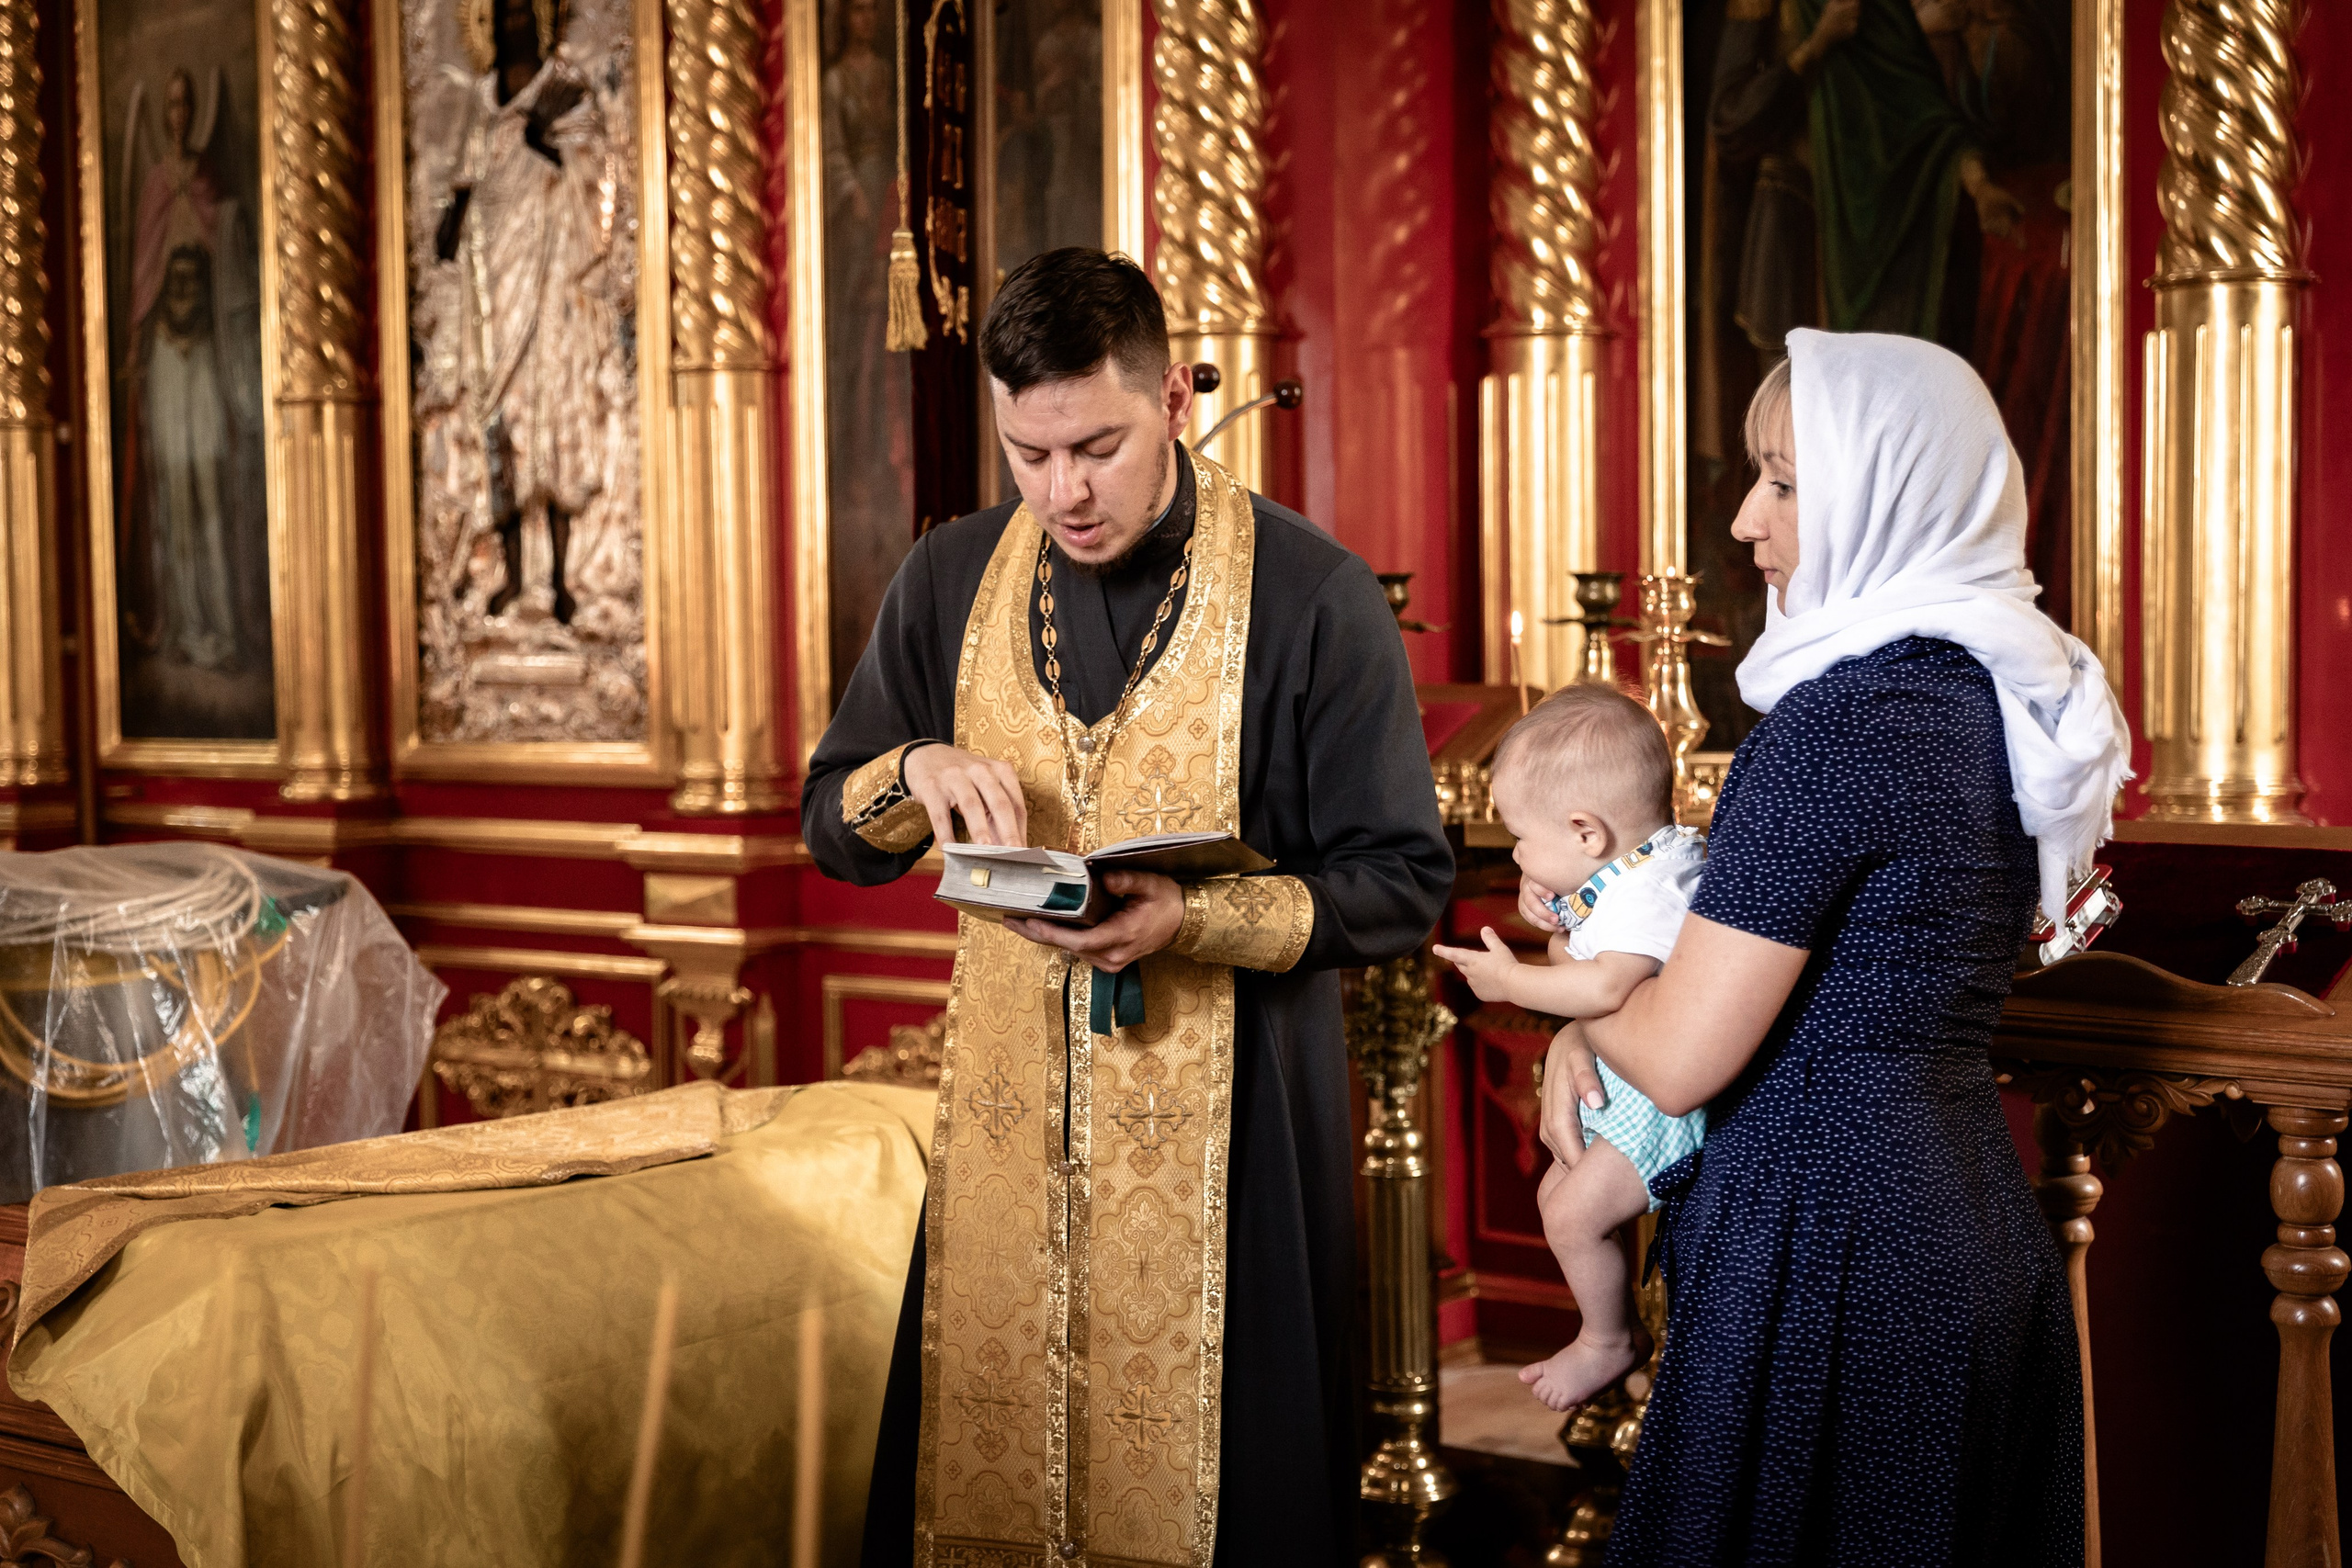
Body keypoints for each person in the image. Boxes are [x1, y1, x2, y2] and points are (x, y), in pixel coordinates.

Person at [805, 248, 1452, 1566]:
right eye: (1026, 455)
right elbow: (832, 823)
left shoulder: (1313, 594)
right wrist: (914, 771)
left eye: (1094, 445)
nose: (1063, 491)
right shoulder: (948, 578)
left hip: (1242, 1139)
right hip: (1004, 1132)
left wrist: (1193, 919)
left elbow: (1404, 880)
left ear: (1168, 392)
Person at [1540, 330, 2127, 1562]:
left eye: (1787, 481)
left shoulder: (1843, 723)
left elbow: (1685, 1057)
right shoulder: (1975, 695)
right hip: (1954, 1221)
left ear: (1889, 488)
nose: (1749, 518)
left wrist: (1577, 1008)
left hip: (1832, 1251)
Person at [1431, 684, 1707, 1414]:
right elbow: (1592, 920)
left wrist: (1512, 977)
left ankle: (1608, 1338)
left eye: (1523, 836)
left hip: (1661, 1096)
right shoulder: (1635, 865)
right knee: (1558, 1194)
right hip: (1629, 1078)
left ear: (1587, 831)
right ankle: (1609, 1330)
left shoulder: (1653, 892)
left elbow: (1607, 987)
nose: (1518, 851)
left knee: (1573, 1213)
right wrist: (1555, 901)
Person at [434, 0, 619, 625]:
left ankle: (565, 580)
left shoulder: (565, 95)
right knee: (501, 428)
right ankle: (513, 578)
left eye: (522, 13)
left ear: (539, 21)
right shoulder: (483, 107)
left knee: (553, 422)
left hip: (549, 289)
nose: (513, 24)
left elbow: (596, 182)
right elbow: (466, 191)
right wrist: (450, 227)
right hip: (495, 294)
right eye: (503, 14)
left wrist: (546, 144)